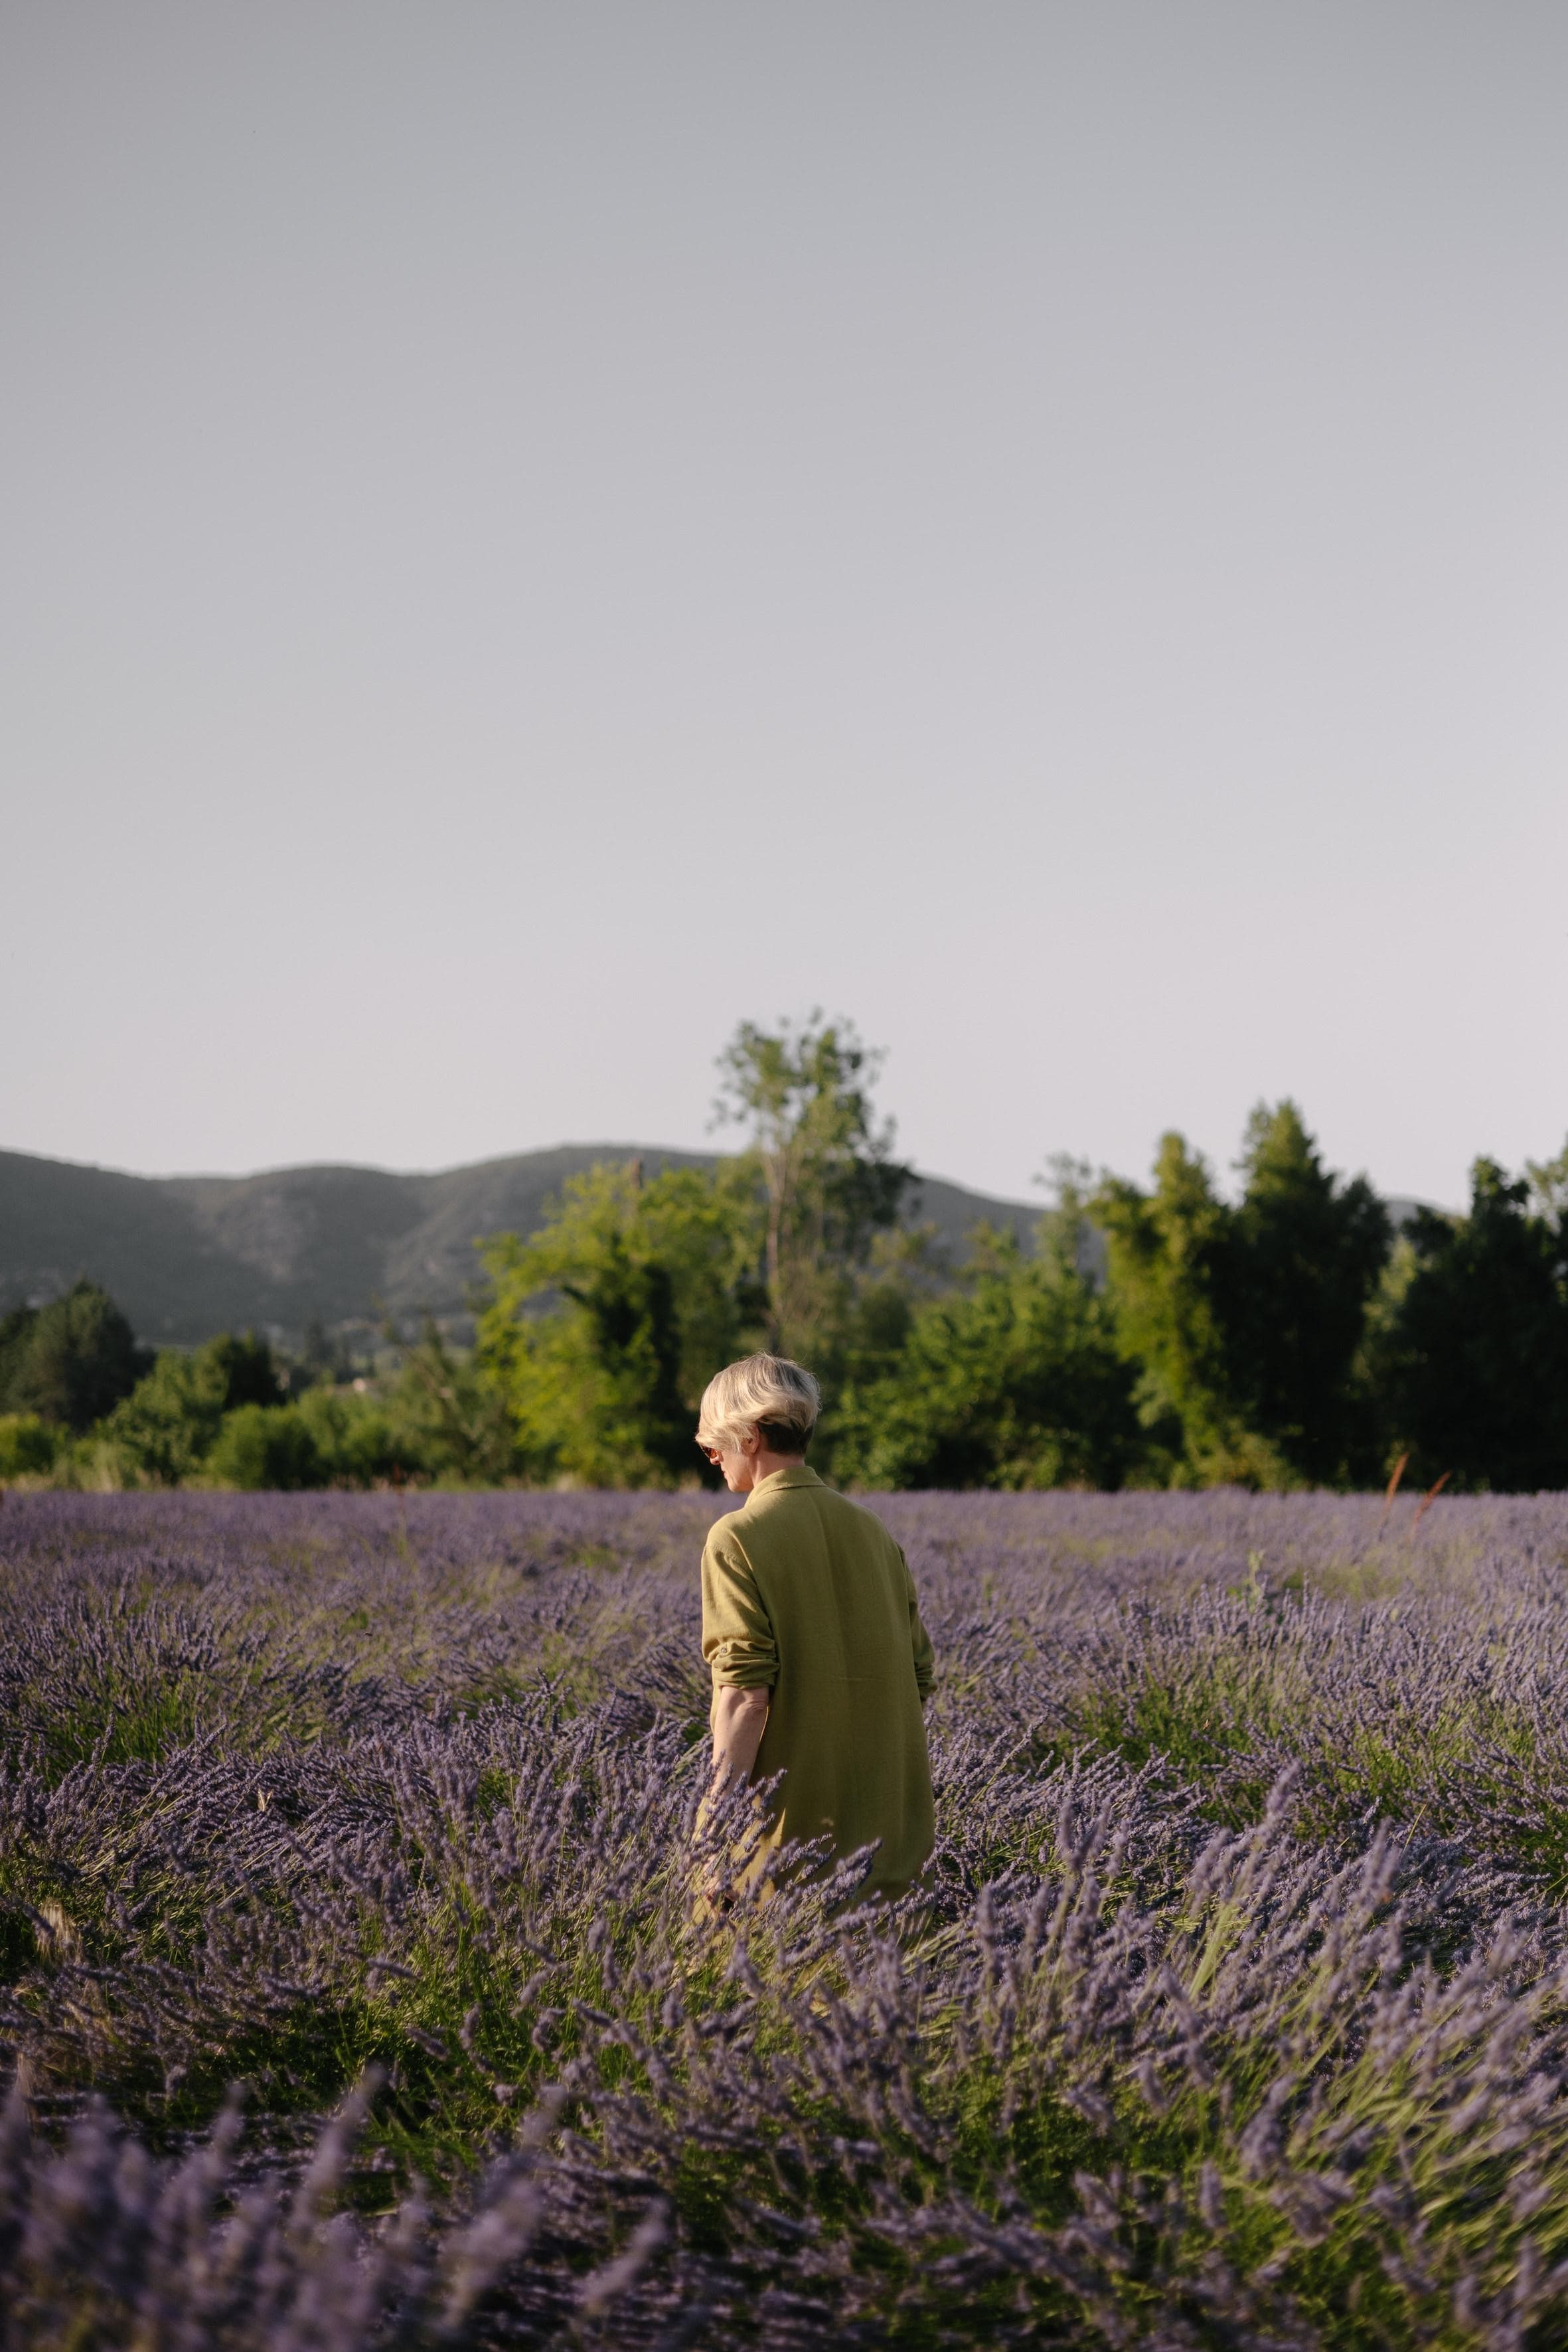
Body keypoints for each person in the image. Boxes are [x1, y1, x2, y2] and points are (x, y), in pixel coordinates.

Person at [696, 1352, 936, 1900]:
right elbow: (918, 1678)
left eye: (713, 1441)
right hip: (894, 1851)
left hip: (785, 1859)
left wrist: (713, 1840)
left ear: (751, 1435)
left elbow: (745, 1699)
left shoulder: (736, 1538)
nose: (710, 1457)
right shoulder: (875, 1532)